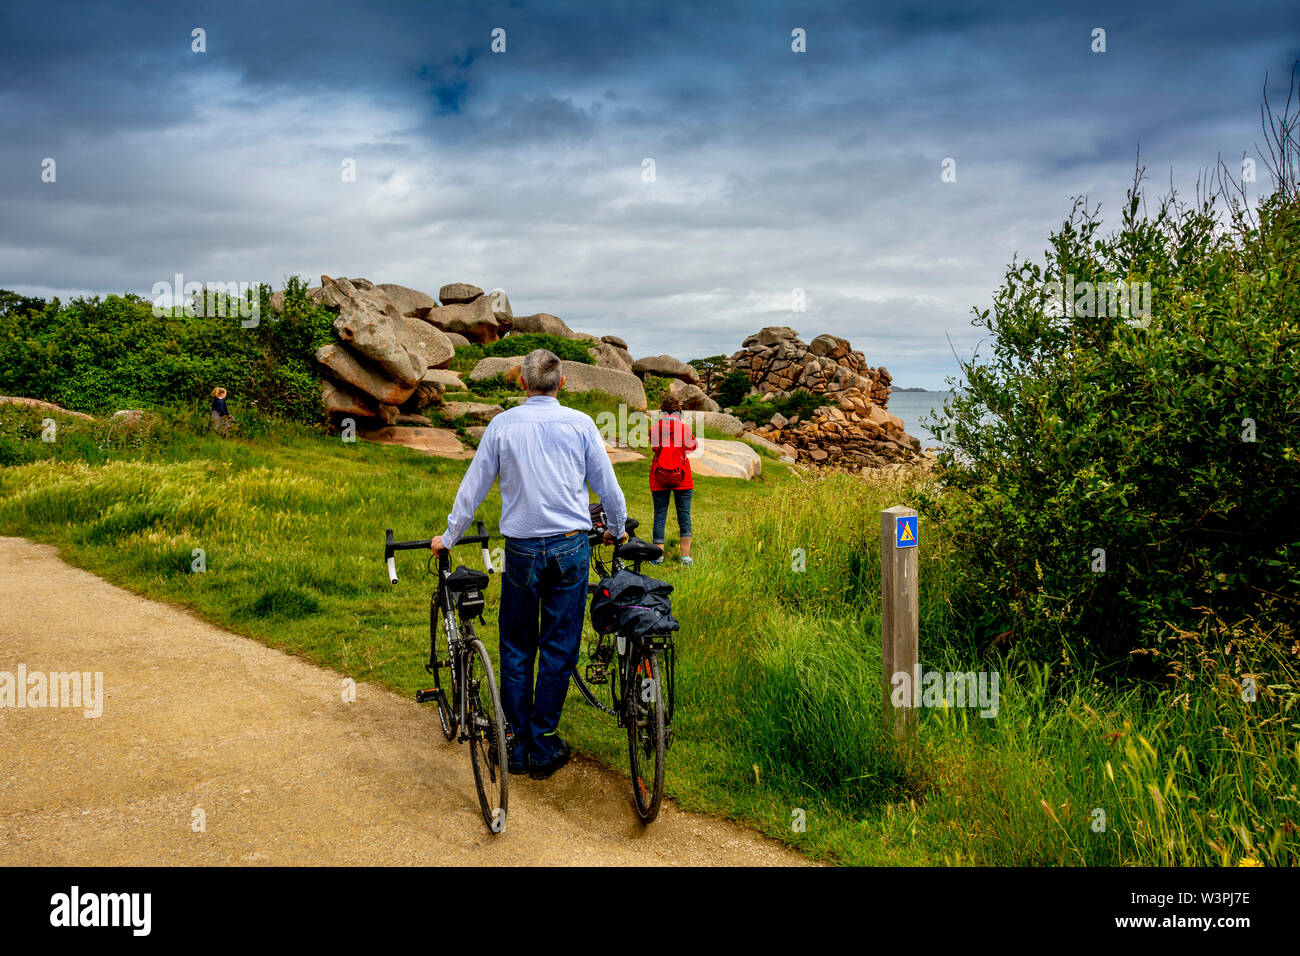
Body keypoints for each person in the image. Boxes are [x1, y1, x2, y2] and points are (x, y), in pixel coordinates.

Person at [431, 349, 628, 780]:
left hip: (520, 549)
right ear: (562, 384)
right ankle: (543, 742)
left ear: (522, 384)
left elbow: (474, 487)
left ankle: (515, 743)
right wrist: (616, 527)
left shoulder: (502, 426)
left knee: (517, 645)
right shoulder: (580, 424)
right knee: (559, 646)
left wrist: (448, 538)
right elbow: (607, 487)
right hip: (570, 547)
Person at [648, 394, 698, 566]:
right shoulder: (685, 429)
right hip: (682, 476)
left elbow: (655, 447)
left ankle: (658, 556)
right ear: (679, 411)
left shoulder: (654, 429)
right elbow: (692, 446)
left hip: (659, 476)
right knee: (684, 515)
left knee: (659, 515)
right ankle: (685, 557)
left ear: (662, 411)